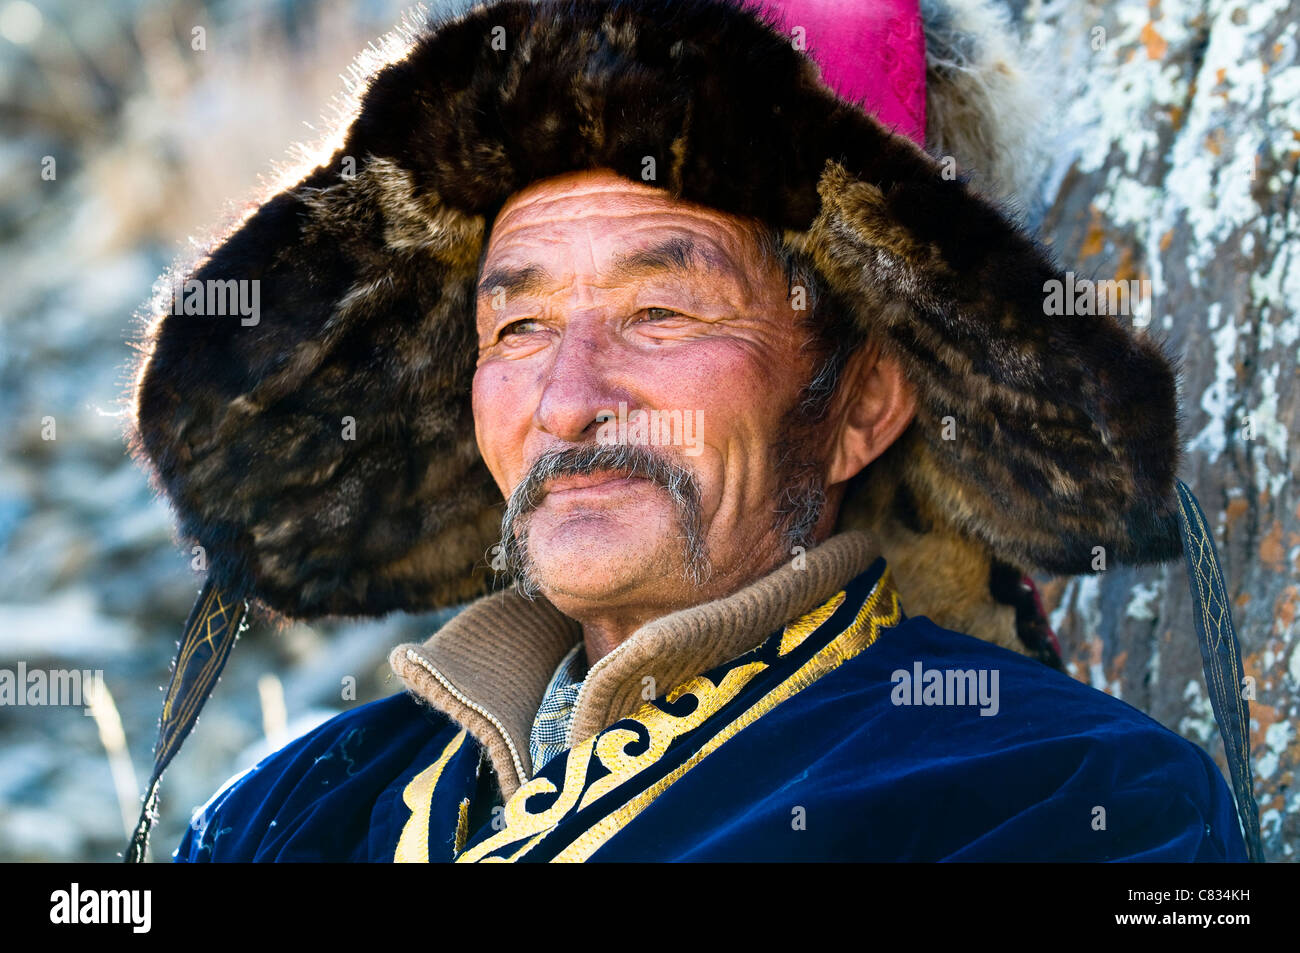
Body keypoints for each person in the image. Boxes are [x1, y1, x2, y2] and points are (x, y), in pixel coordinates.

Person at [127, 0, 1257, 862]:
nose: (567, 398)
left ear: (866, 399)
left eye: (658, 312)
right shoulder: (285, 812)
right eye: (516, 324)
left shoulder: (1058, 797)